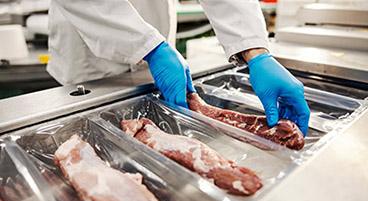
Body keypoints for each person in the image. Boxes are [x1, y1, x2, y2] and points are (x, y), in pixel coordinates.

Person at [47, 0, 310, 136]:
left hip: (154, 19)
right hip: (90, 33)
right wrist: (149, 46)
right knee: (89, 131)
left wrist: (255, 52)